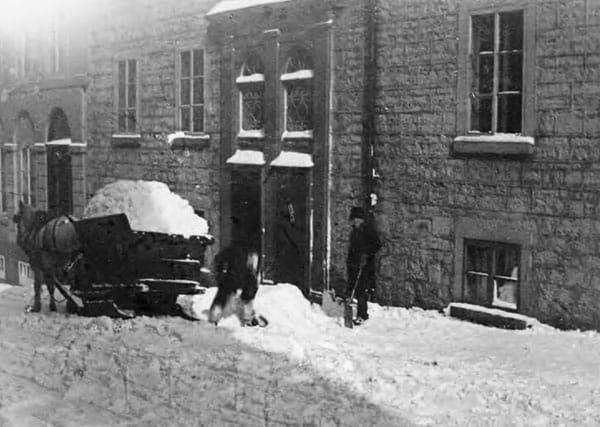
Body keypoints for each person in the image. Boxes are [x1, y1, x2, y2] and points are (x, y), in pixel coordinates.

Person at [346, 206, 381, 325]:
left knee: (361, 289)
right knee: (353, 286)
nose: (356, 221)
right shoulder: (355, 230)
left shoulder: (368, 230)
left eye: (358, 219)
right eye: (354, 218)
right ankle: (351, 307)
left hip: (365, 265)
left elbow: (377, 245)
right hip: (354, 263)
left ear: (362, 219)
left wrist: (366, 254)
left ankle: (362, 314)